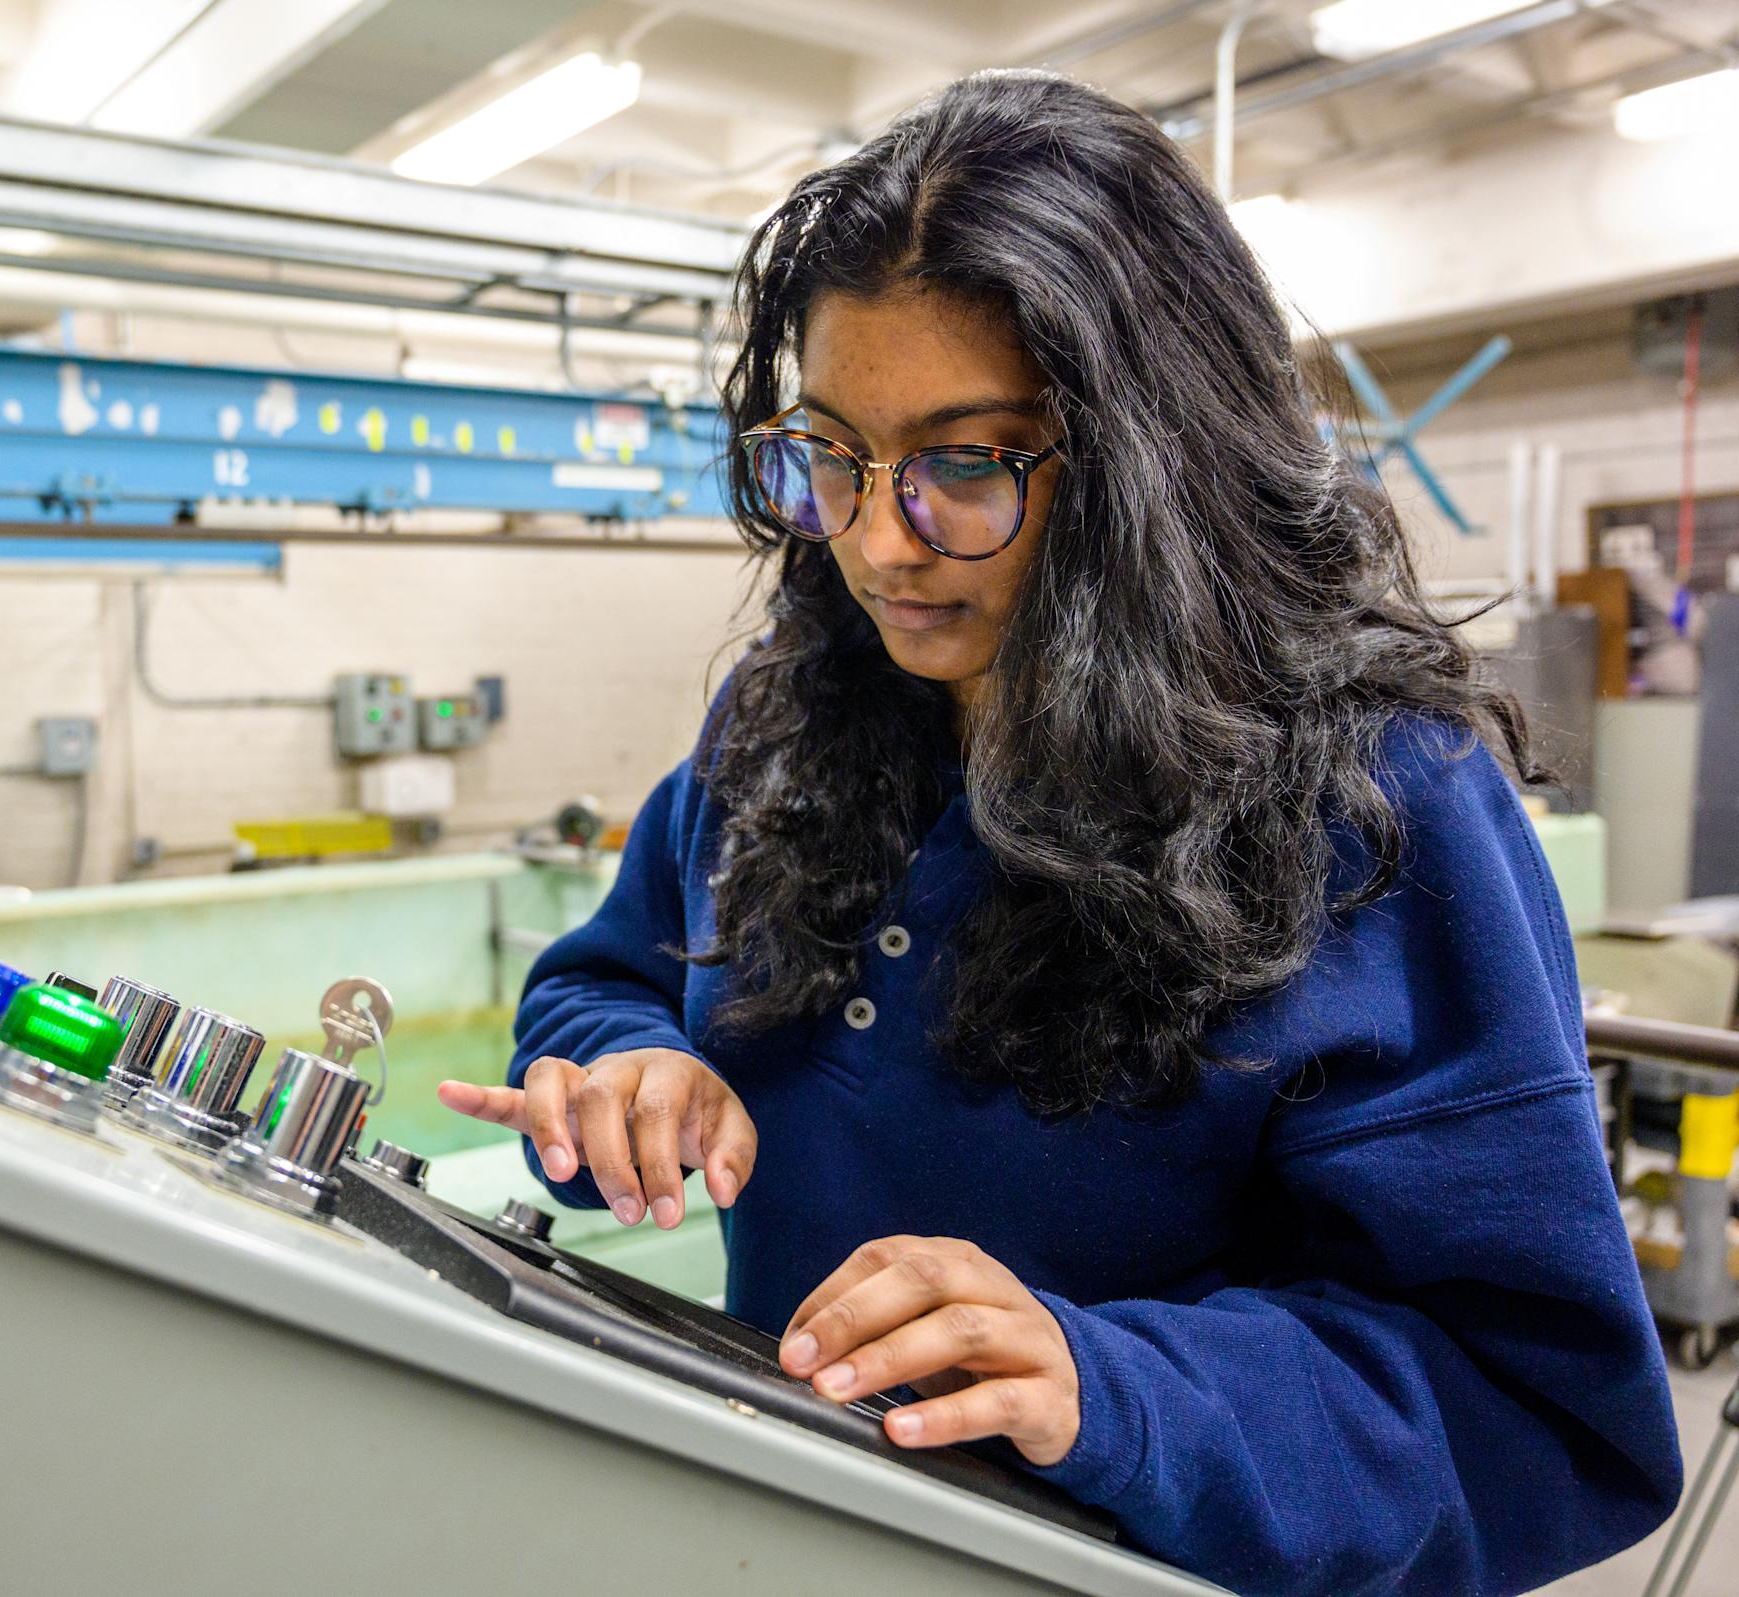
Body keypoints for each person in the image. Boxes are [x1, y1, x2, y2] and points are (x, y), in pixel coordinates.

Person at [436, 69, 1682, 1596]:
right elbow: (604, 973)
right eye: (833, 454)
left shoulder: (1376, 808)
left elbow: (1535, 1412)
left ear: (1154, 463)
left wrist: (1112, 1388)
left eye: (967, 464)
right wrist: (626, 1069)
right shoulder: (794, 717)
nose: (882, 541)